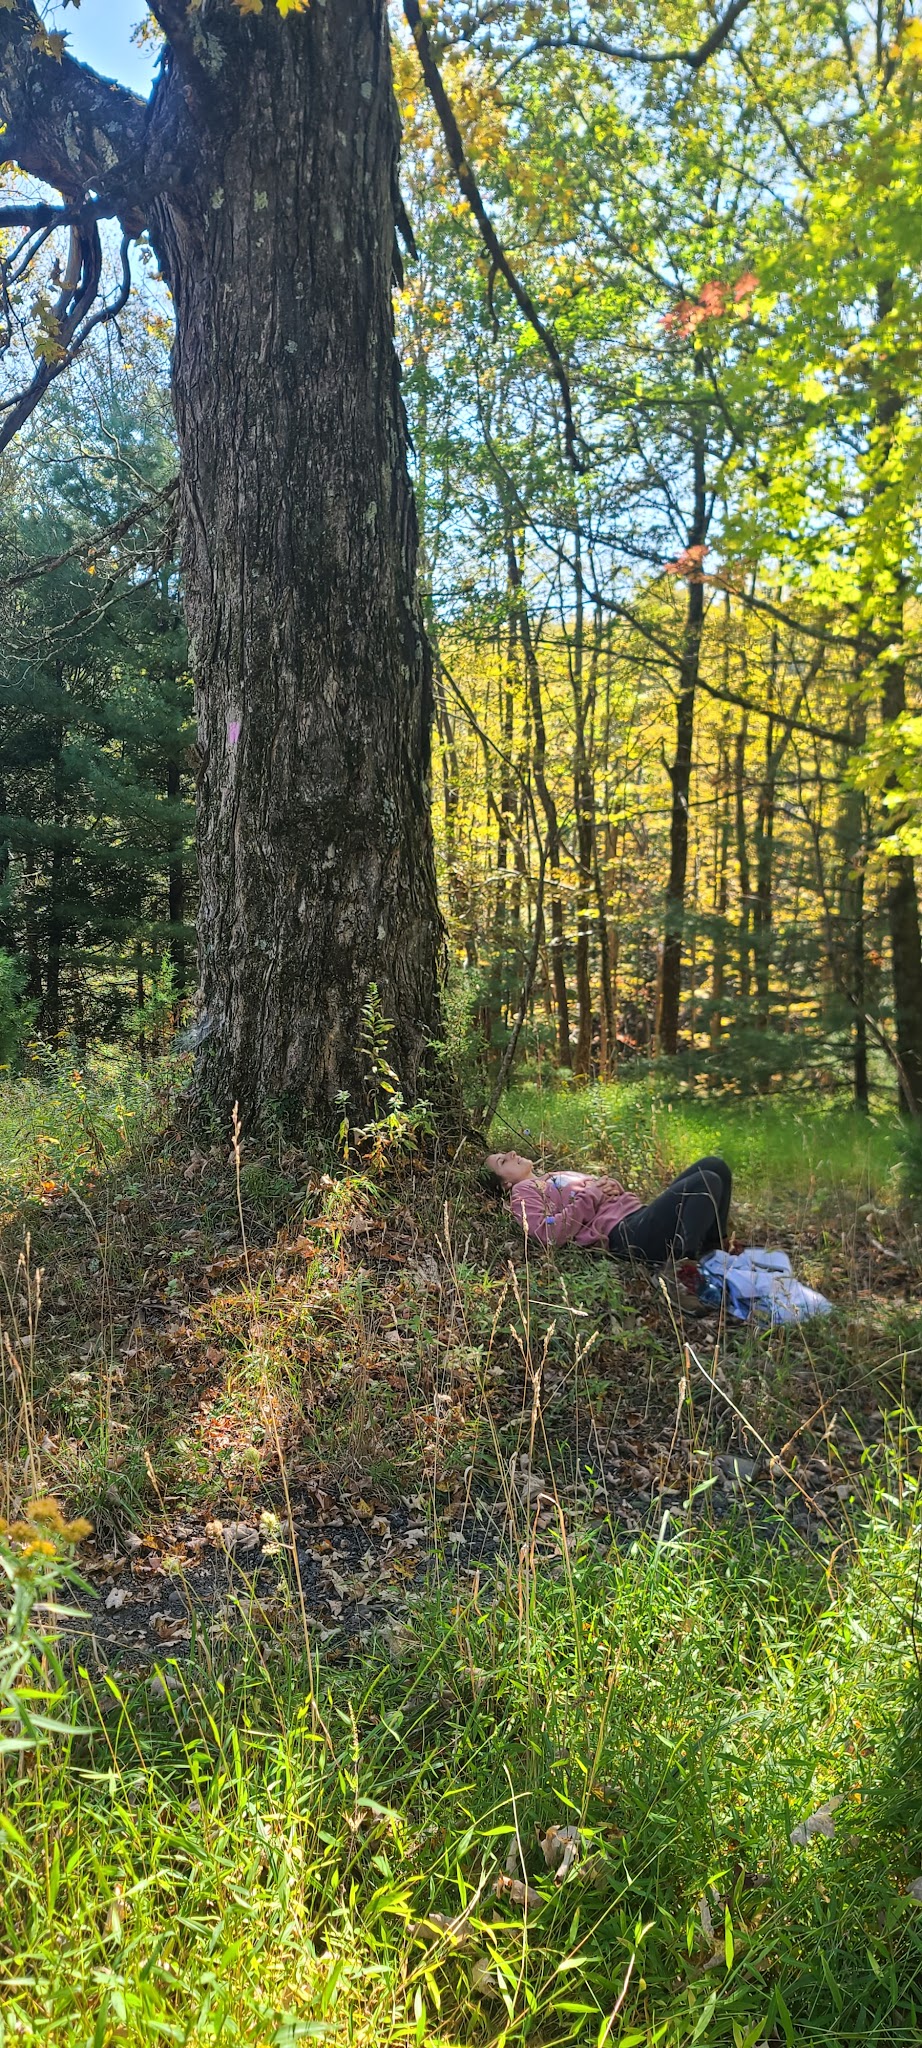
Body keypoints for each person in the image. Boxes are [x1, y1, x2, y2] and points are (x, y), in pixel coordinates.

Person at [483, 1148, 731, 1267]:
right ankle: (680, 1267)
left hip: (638, 1214)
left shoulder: (553, 1176)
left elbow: (596, 1192)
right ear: (505, 1184)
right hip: (625, 1234)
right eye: (503, 1161)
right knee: (707, 1180)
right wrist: (592, 1194)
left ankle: (713, 1251)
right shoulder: (523, 1191)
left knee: (715, 1165)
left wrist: (611, 1186)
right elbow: (546, 1233)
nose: (512, 1153)